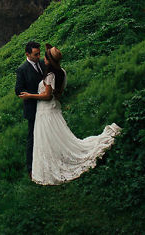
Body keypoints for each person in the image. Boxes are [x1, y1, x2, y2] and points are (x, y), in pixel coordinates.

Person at [19, 43, 121, 185]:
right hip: (54, 108)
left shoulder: (49, 75)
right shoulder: (62, 72)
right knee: (55, 136)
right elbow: (57, 94)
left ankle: (53, 162)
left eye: (45, 56)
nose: (42, 58)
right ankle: (53, 158)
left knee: (47, 137)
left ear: (49, 60)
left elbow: (48, 96)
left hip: (46, 110)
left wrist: (30, 95)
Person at [15, 40, 46, 177]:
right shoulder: (22, 69)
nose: (38, 57)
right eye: (35, 54)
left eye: (39, 54)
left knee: (45, 133)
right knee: (32, 138)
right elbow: (18, 91)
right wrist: (33, 95)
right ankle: (30, 168)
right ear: (27, 54)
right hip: (33, 108)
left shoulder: (42, 64)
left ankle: (45, 159)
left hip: (45, 106)